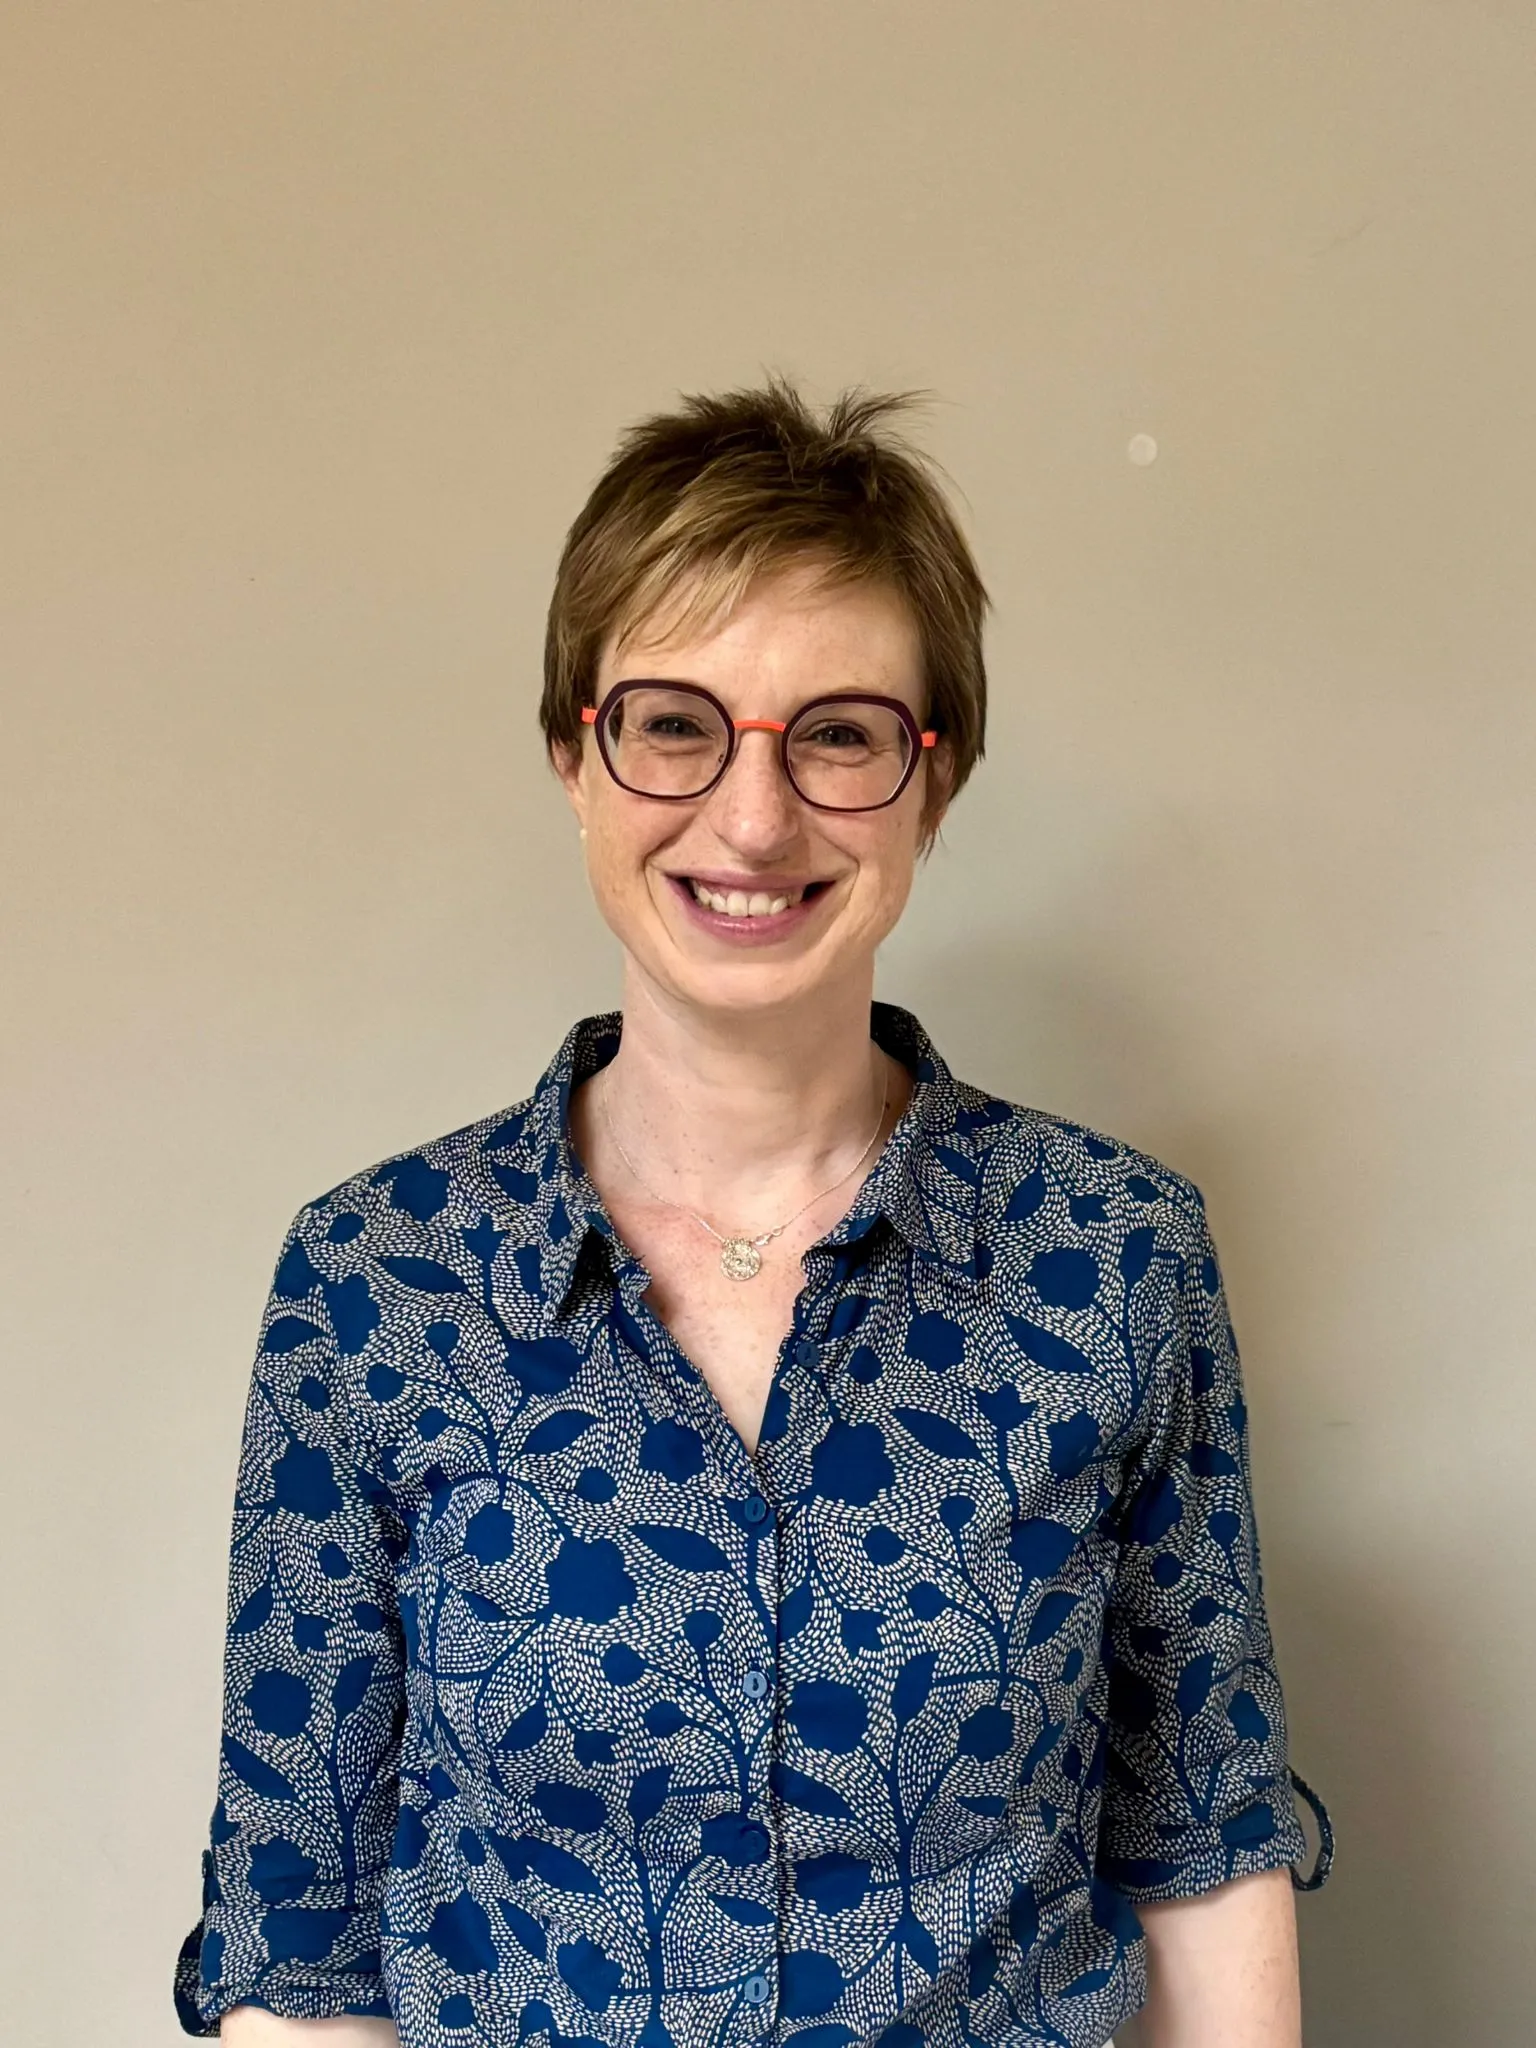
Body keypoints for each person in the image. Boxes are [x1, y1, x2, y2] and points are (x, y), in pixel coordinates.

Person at [175, 378, 1333, 2048]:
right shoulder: (377, 1283)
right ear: (574, 756)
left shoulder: (1112, 1257)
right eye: (674, 723)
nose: (752, 816)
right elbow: (298, 1925)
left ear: (934, 782)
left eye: (840, 735)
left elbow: (1202, 1841)